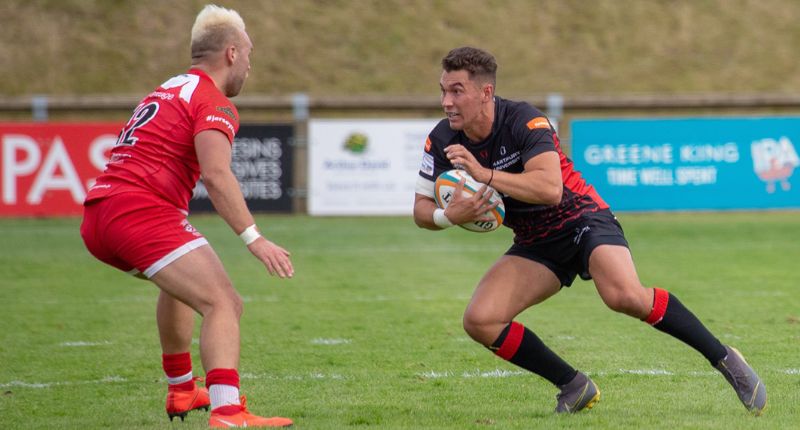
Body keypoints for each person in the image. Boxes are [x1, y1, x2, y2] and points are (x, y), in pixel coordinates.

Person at [413, 46, 767, 415]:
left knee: (623, 296)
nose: (446, 102)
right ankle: (574, 385)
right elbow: (420, 209)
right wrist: (449, 215)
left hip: (582, 218)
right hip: (536, 241)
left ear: (486, 92)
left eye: (457, 91)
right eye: (443, 91)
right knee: (481, 320)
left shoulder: (524, 120)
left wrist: (483, 174)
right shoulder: (442, 139)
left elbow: (550, 189)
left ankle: (725, 359)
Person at [80, 5, 294, 428]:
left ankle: (182, 389)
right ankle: (228, 412)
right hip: (140, 212)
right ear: (232, 53)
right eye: (249, 54)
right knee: (224, 303)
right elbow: (216, 174)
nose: (250, 65)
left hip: (100, 213)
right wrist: (255, 238)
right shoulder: (213, 101)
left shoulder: (167, 88)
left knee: (180, 286)